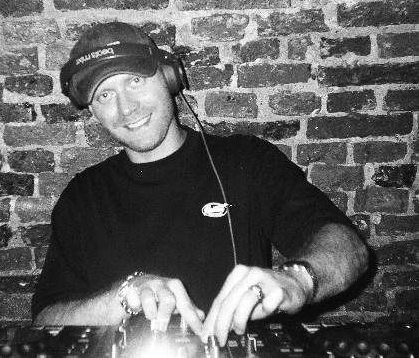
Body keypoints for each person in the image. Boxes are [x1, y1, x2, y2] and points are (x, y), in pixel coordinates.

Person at [32, 22, 369, 346]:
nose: (126, 108)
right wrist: (125, 296)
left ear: (169, 78)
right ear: (93, 110)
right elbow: (46, 320)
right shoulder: (82, 196)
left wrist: (296, 280)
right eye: (105, 95)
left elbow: (349, 248)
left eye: (135, 80)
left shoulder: (247, 161)